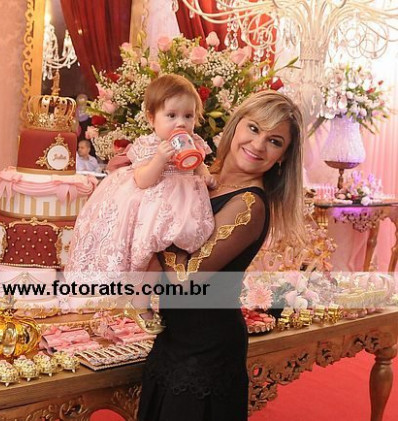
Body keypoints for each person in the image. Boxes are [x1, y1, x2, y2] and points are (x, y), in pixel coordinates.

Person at [137, 90, 305, 420]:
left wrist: (148, 224)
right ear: (235, 125)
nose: (258, 145)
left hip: (206, 354)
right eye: (253, 128)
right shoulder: (198, 172)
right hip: (172, 339)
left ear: (282, 157)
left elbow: (184, 278)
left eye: (274, 141)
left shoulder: (249, 204)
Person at [66, 75, 216, 324]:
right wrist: (160, 159)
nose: (181, 122)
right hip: (152, 206)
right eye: (171, 115)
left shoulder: (194, 143)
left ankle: (170, 304)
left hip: (183, 205)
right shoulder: (149, 145)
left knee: (175, 258)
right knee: (149, 258)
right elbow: (143, 180)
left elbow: (199, 167)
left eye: (188, 116)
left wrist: (207, 177)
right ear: (151, 118)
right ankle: (139, 303)